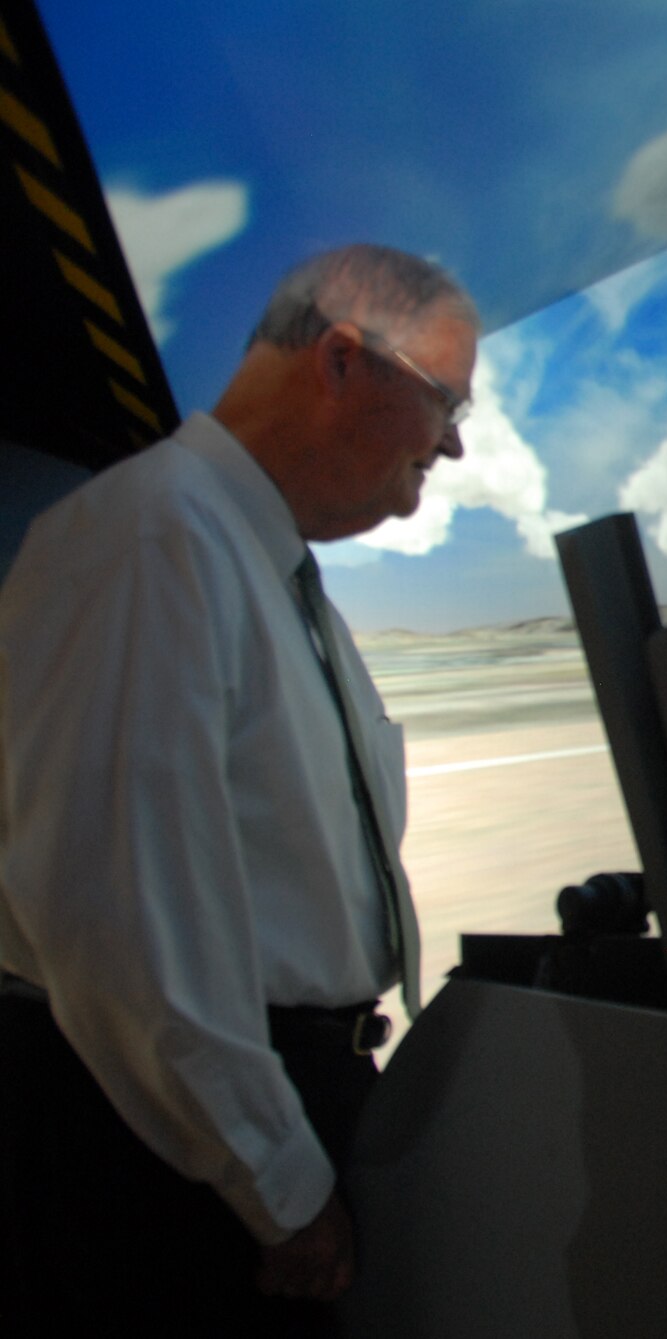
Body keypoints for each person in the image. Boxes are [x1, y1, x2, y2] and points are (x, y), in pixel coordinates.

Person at [0, 244, 477, 1331]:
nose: (454, 441)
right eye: (447, 400)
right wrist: (280, 1189)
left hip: (230, 1114)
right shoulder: (151, 540)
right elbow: (125, 924)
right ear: (345, 361)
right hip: (167, 1146)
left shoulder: (257, 567)